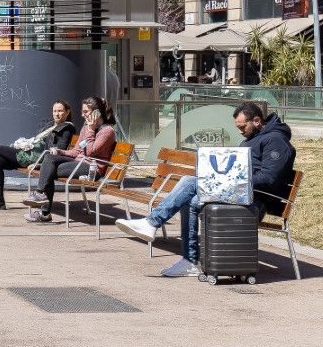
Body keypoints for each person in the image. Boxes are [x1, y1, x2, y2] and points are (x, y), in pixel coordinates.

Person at [115, 102, 296, 277]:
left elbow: (269, 179)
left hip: (257, 200)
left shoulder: (276, 141)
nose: (240, 131)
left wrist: (230, 180)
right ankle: (190, 261)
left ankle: (152, 223)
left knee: (190, 181)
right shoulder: (251, 140)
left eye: (243, 127)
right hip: (240, 193)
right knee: (191, 199)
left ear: (257, 121)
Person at [0, 100, 76, 210]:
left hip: (36, 158)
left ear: (67, 112)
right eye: (54, 111)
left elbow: (58, 151)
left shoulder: (66, 129)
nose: (56, 114)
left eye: (60, 111)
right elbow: (38, 141)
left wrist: (39, 164)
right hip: (31, 154)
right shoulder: (52, 125)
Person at [21, 96, 117, 223]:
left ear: (97, 112)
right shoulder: (86, 128)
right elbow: (77, 151)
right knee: (50, 158)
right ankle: (41, 199)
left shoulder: (107, 131)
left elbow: (90, 151)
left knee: (49, 170)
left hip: (92, 169)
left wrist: (90, 130)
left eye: (86, 112)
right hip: (78, 163)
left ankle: (43, 209)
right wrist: (60, 151)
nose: (82, 115)